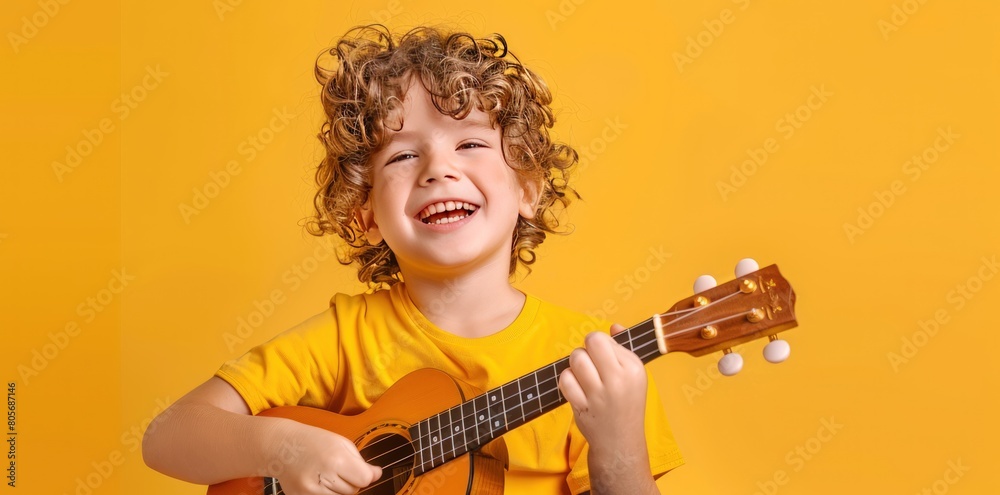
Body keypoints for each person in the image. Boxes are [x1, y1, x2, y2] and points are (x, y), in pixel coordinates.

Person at [142, 24, 683, 495]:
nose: (437, 169)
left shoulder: (598, 366)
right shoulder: (346, 337)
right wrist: (281, 447)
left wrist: (617, 446)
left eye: (470, 144)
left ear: (528, 190)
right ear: (367, 214)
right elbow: (169, 435)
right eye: (403, 154)